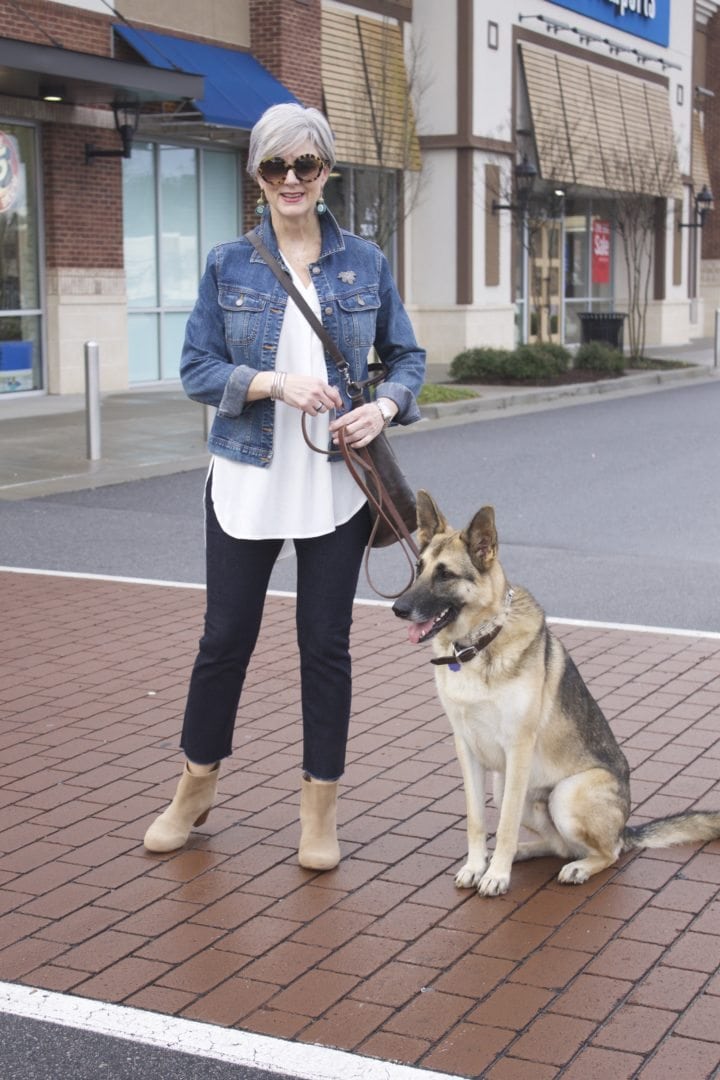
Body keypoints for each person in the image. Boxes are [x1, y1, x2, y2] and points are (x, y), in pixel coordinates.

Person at [143, 103, 425, 871]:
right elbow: (197, 369)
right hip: (245, 479)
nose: (292, 179)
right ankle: (194, 789)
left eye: (306, 165)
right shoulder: (229, 263)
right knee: (224, 639)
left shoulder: (364, 262)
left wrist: (385, 405)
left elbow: (408, 358)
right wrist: (273, 383)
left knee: (325, 647)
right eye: (277, 167)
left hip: (335, 488)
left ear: (326, 172)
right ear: (257, 175)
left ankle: (319, 809)